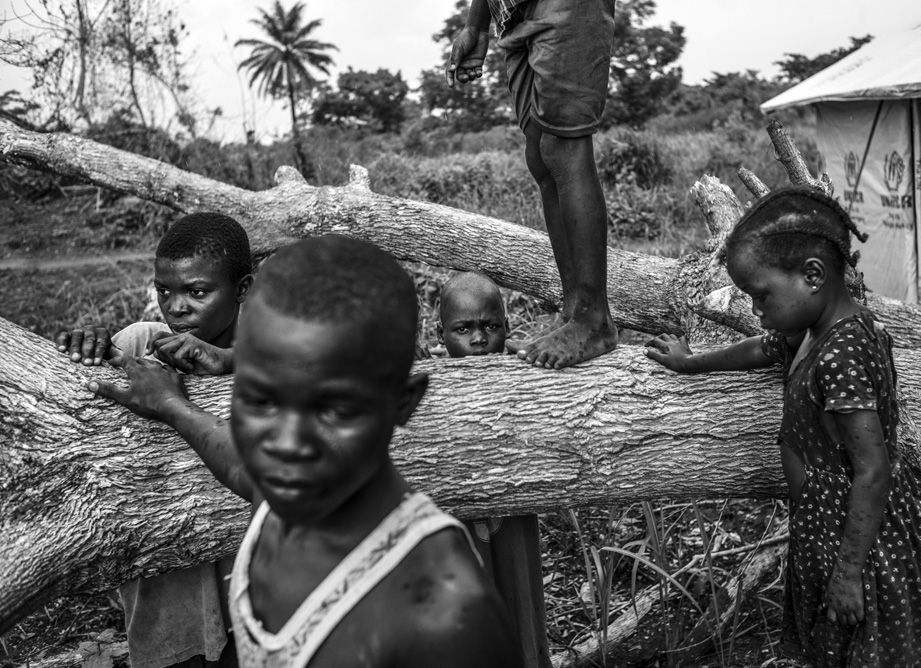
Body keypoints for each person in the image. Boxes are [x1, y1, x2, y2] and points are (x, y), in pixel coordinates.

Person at [88, 236, 521, 668]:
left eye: (332, 406)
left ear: (402, 401)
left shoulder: (448, 618)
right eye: (265, 398)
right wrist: (172, 406)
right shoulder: (288, 499)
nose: (291, 439)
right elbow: (238, 465)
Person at [645, 187, 921, 667]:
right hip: (828, 524)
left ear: (812, 275)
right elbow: (759, 350)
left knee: (875, 644)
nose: (757, 309)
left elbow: (872, 471)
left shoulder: (843, 353)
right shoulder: (809, 331)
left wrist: (848, 574)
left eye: (760, 295)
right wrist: (692, 363)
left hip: (868, 542)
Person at [55, 211, 253, 668]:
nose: (177, 307)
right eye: (164, 290)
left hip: (250, 590)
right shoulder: (141, 344)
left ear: (242, 289)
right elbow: (85, 393)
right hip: (167, 602)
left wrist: (227, 361)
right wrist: (80, 351)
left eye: (197, 292)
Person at [447, 0, 618, 369]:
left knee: (563, 145)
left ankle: (594, 320)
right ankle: (574, 313)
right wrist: (476, 25)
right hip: (513, 12)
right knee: (541, 155)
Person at [438, 271, 551, 668]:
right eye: (463, 329)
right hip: (456, 533)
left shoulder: (522, 373)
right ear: (440, 336)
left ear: (508, 328)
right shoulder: (428, 385)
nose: (479, 340)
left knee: (520, 610)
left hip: (513, 524)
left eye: (491, 327)